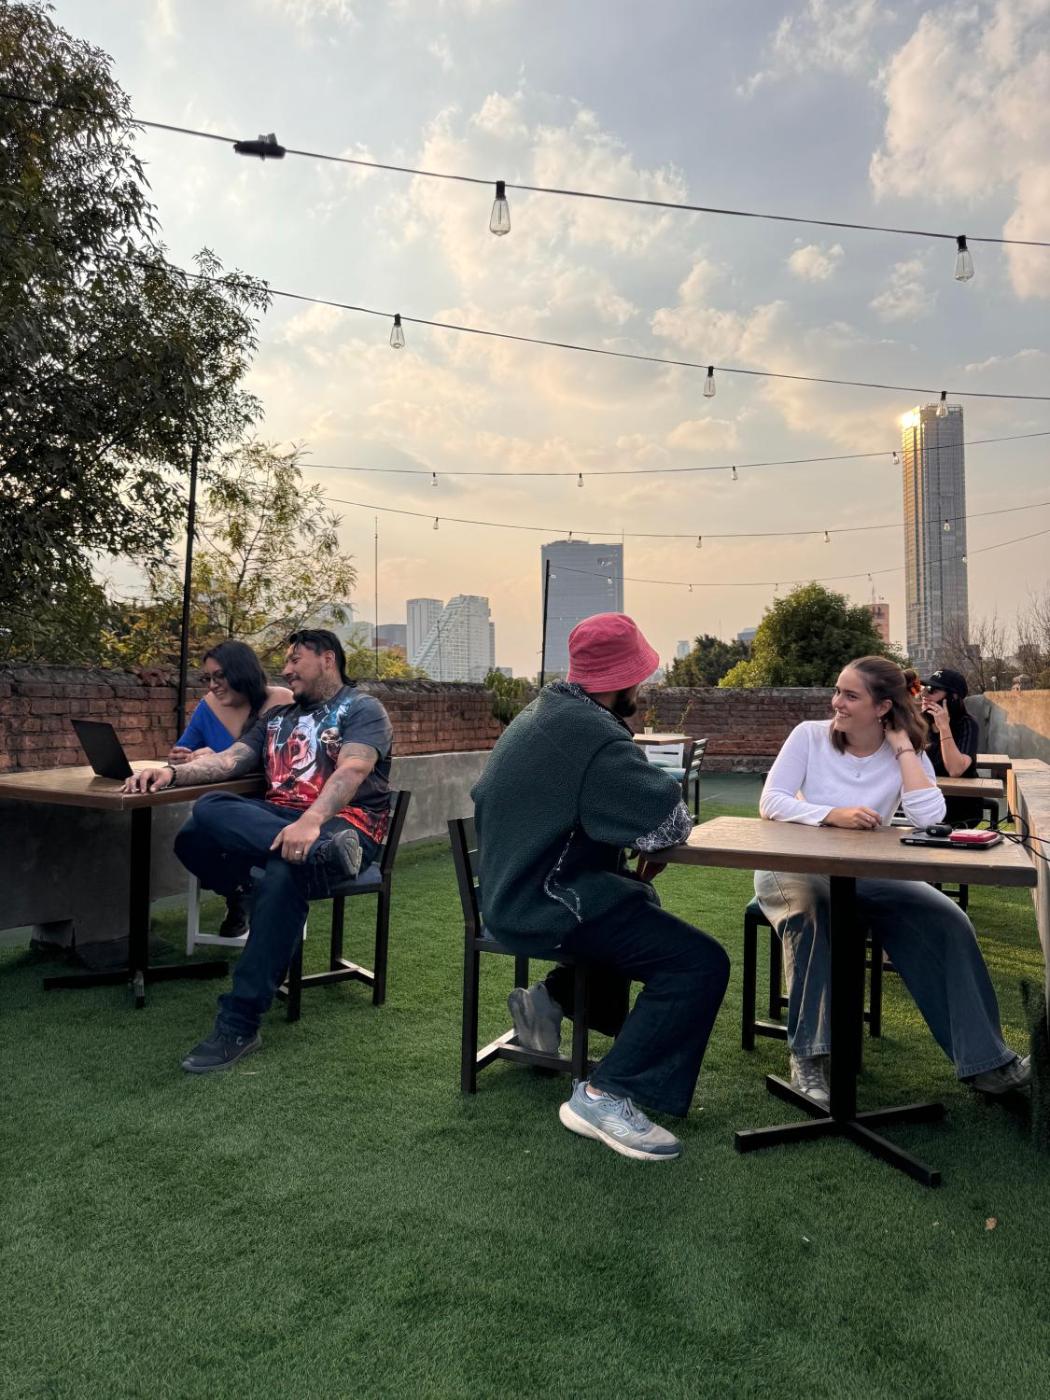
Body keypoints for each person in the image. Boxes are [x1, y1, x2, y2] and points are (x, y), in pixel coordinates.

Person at [471, 612, 730, 1163]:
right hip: (547, 902)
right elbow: (668, 826)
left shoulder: (543, 713)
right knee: (698, 963)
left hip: (509, 894)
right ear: (626, 679)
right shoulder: (594, 737)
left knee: (633, 909)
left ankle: (550, 1000)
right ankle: (604, 1094)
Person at [755, 654, 1029, 1105]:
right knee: (812, 913)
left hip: (867, 874)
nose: (836, 702)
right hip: (792, 866)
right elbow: (772, 801)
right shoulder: (808, 736)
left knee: (949, 920)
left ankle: (988, 1065)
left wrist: (903, 747)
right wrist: (832, 814)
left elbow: (931, 818)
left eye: (850, 695)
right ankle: (810, 1056)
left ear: (882, 707)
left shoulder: (904, 750)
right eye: (838, 692)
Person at [124, 628, 394, 1074]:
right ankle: (314, 856)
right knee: (208, 812)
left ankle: (239, 1024)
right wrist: (171, 774)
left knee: (284, 874)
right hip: (286, 826)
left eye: (295, 660)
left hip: (345, 826)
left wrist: (312, 822)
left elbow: (353, 769)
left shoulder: (362, 709)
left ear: (327, 658)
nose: (286, 670)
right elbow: (230, 760)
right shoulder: (276, 718)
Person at [171, 640, 292, 937]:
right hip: (220, 805)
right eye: (208, 678)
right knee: (187, 842)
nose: (212, 685)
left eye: (219, 676)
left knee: (233, 843)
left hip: (270, 804)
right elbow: (186, 748)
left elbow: (287, 761)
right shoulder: (208, 706)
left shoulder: (281, 701)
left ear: (241, 671)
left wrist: (217, 756)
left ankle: (260, 897)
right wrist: (185, 757)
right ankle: (239, 893)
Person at [920, 666, 982, 826]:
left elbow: (955, 770)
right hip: (924, 804)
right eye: (924, 688)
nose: (924, 694)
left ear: (953, 697)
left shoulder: (966, 724)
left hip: (959, 808)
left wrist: (944, 728)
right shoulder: (919, 723)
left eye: (932, 690)